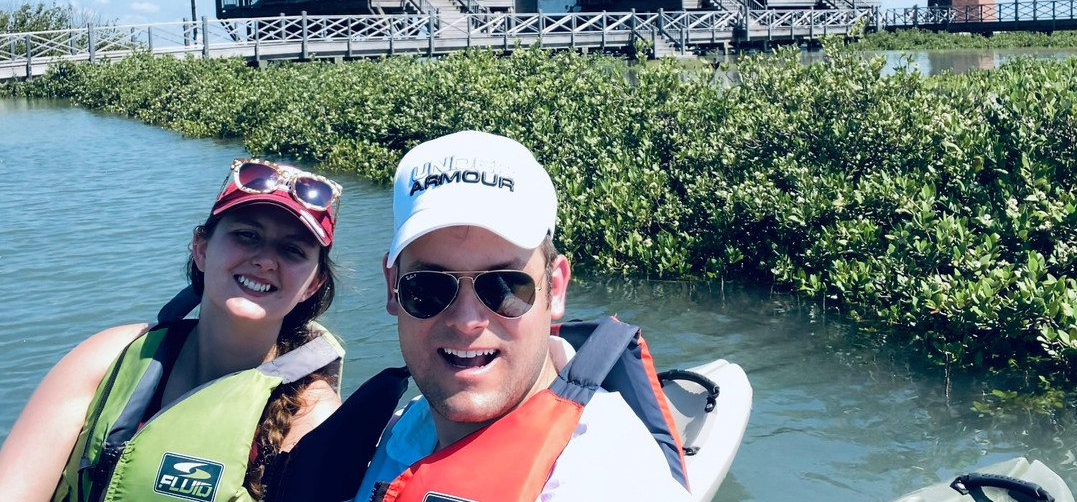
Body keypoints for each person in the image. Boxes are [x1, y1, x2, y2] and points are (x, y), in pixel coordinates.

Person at [347, 130, 692, 502]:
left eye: (505, 286)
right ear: (393, 288)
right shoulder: (403, 427)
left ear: (555, 289)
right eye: (429, 287)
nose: (466, 320)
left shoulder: (606, 479)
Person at [0, 157, 345, 502]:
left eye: (292, 250)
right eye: (247, 235)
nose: (265, 261)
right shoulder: (107, 358)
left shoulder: (311, 414)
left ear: (314, 284)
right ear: (201, 249)